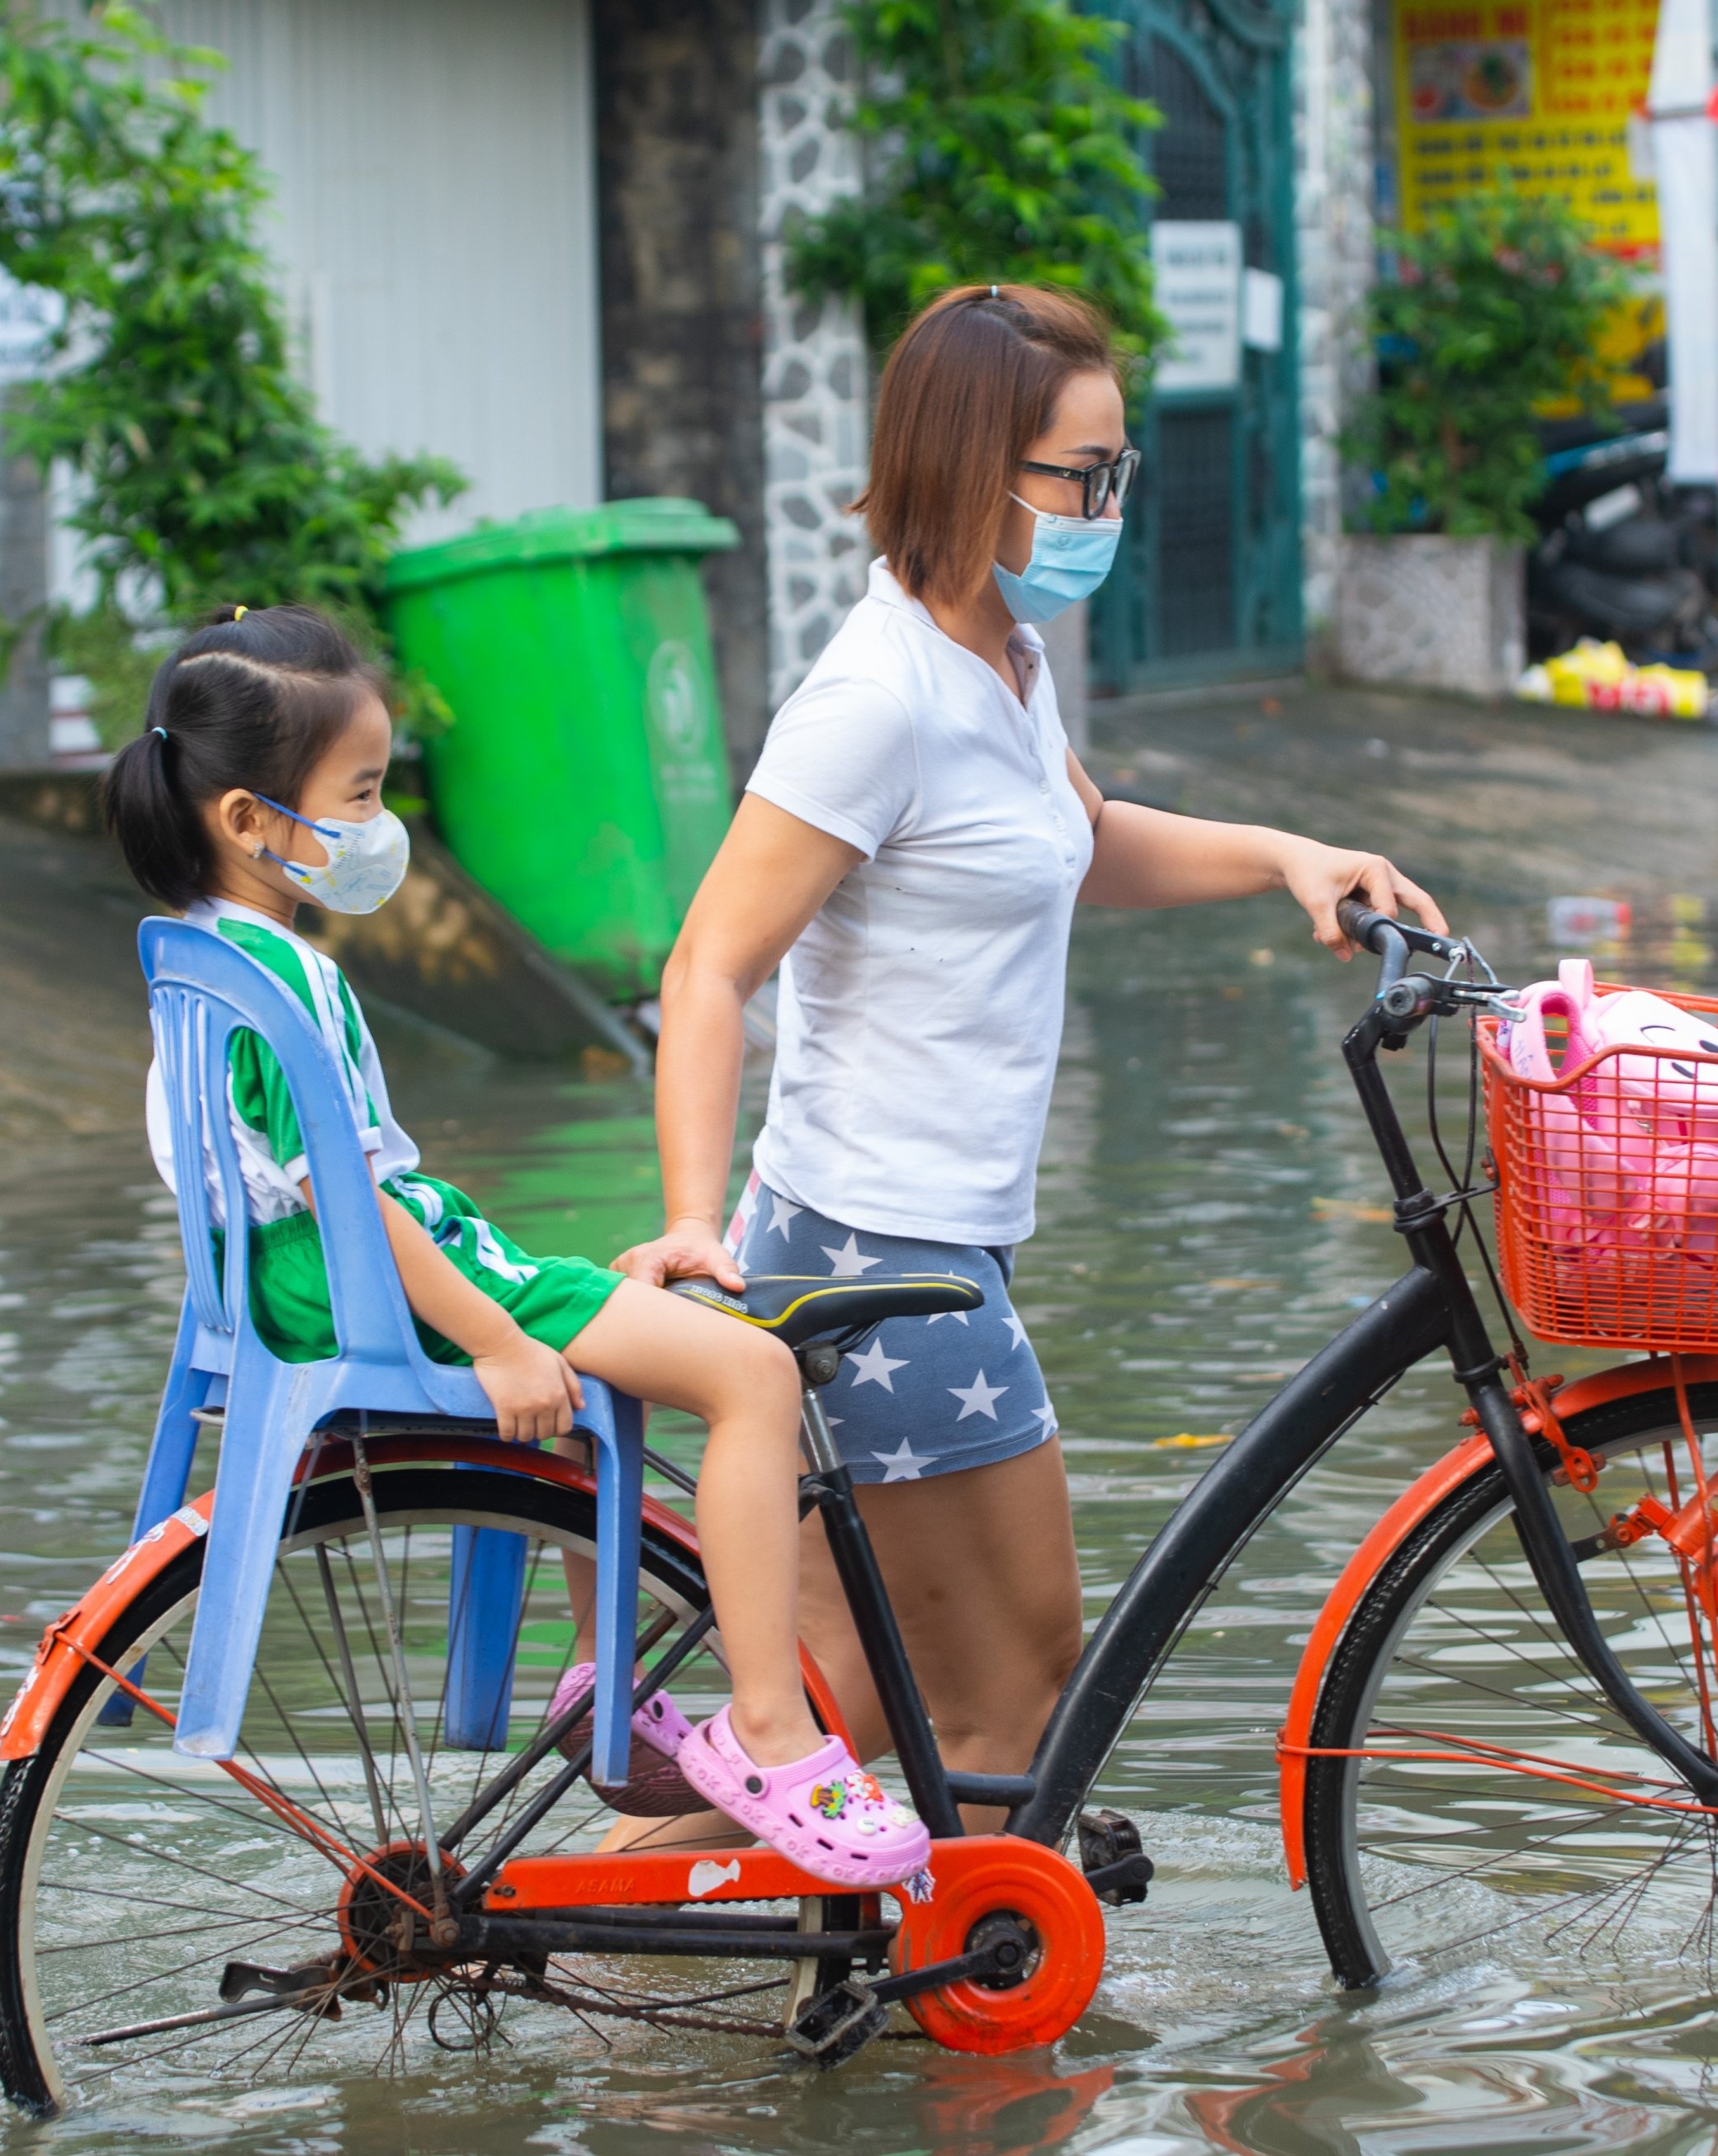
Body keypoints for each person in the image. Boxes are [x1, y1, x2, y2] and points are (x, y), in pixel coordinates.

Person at [614, 284, 1447, 1812]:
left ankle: (623, 1974)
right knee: (1018, 1707)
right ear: (975, 467)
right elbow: (713, 965)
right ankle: (982, 2049)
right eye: (1085, 476)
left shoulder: (1002, 659)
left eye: (1118, 473)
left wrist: (1288, 853)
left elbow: (1081, 839)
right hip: (887, 1260)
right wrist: (686, 1212)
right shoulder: (877, 703)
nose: (1108, 507)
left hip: (911, 1240)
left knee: (848, 1695)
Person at [104, 604, 926, 1888]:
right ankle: (768, 1731)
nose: (383, 828)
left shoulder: (198, 964)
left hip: (294, 1290)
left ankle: (604, 1675)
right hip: (381, 1284)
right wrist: (496, 1338)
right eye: (361, 796)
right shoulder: (291, 983)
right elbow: (352, 1202)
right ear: (252, 822)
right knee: (750, 1376)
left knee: (619, 1325)